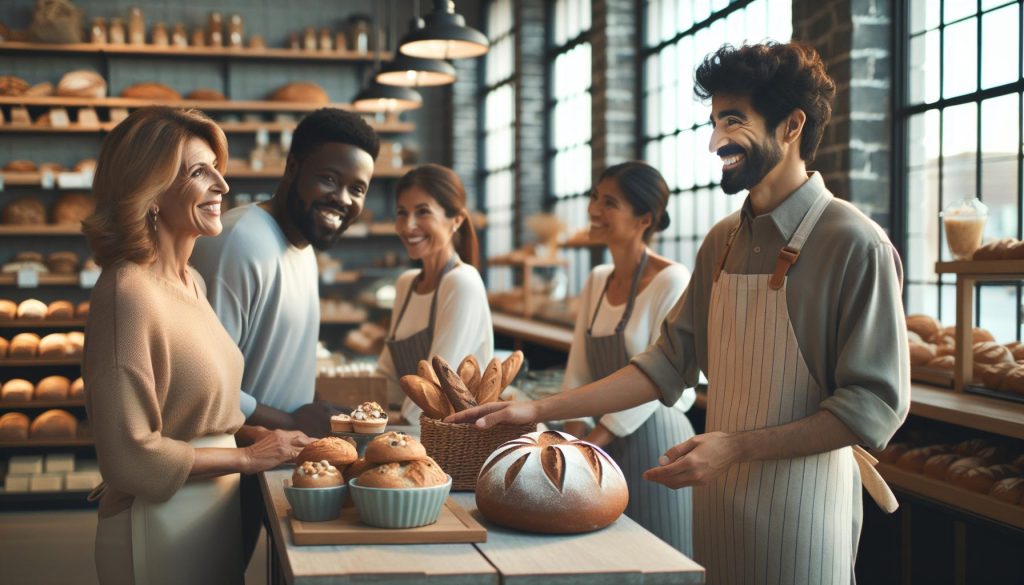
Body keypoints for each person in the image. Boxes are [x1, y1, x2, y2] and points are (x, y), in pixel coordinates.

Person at [449, 42, 910, 585]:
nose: (715, 141)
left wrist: (734, 447)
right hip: (714, 505)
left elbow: (872, 409)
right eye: (714, 123)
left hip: (803, 516)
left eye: (733, 121)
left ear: (791, 126)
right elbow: (666, 363)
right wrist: (535, 410)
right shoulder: (722, 240)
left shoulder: (855, 243)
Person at [82, 106, 312, 585]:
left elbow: (197, 412)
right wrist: (248, 458)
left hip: (208, 511)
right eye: (198, 172)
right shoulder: (127, 292)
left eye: (217, 169)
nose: (222, 185)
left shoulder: (193, 283)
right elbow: (128, 456)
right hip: (156, 522)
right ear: (150, 193)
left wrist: (258, 437)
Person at [189, 107, 379, 564]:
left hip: (270, 456)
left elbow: (274, 355)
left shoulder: (303, 248)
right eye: (329, 179)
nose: (343, 199)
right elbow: (204, 381)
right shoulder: (241, 241)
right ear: (293, 168)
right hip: (226, 459)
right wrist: (292, 421)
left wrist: (315, 407)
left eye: (357, 189)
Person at [560, 161, 696, 555]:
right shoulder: (597, 280)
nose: (593, 210)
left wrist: (592, 443)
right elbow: (578, 371)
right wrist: (574, 437)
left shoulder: (672, 280)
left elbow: (662, 378)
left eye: (609, 203)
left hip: (655, 440)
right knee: (601, 557)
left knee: (657, 555)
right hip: (595, 444)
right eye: (594, 198)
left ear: (644, 219)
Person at [377, 164, 493, 425]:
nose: (408, 226)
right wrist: (363, 412)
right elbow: (387, 376)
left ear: (457, 220)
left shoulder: (462, 282)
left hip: (449, 436)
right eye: (402, 213)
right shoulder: (406, 284)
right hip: (405, 430)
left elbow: (437, 389)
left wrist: (383, 421)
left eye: (423, 212)